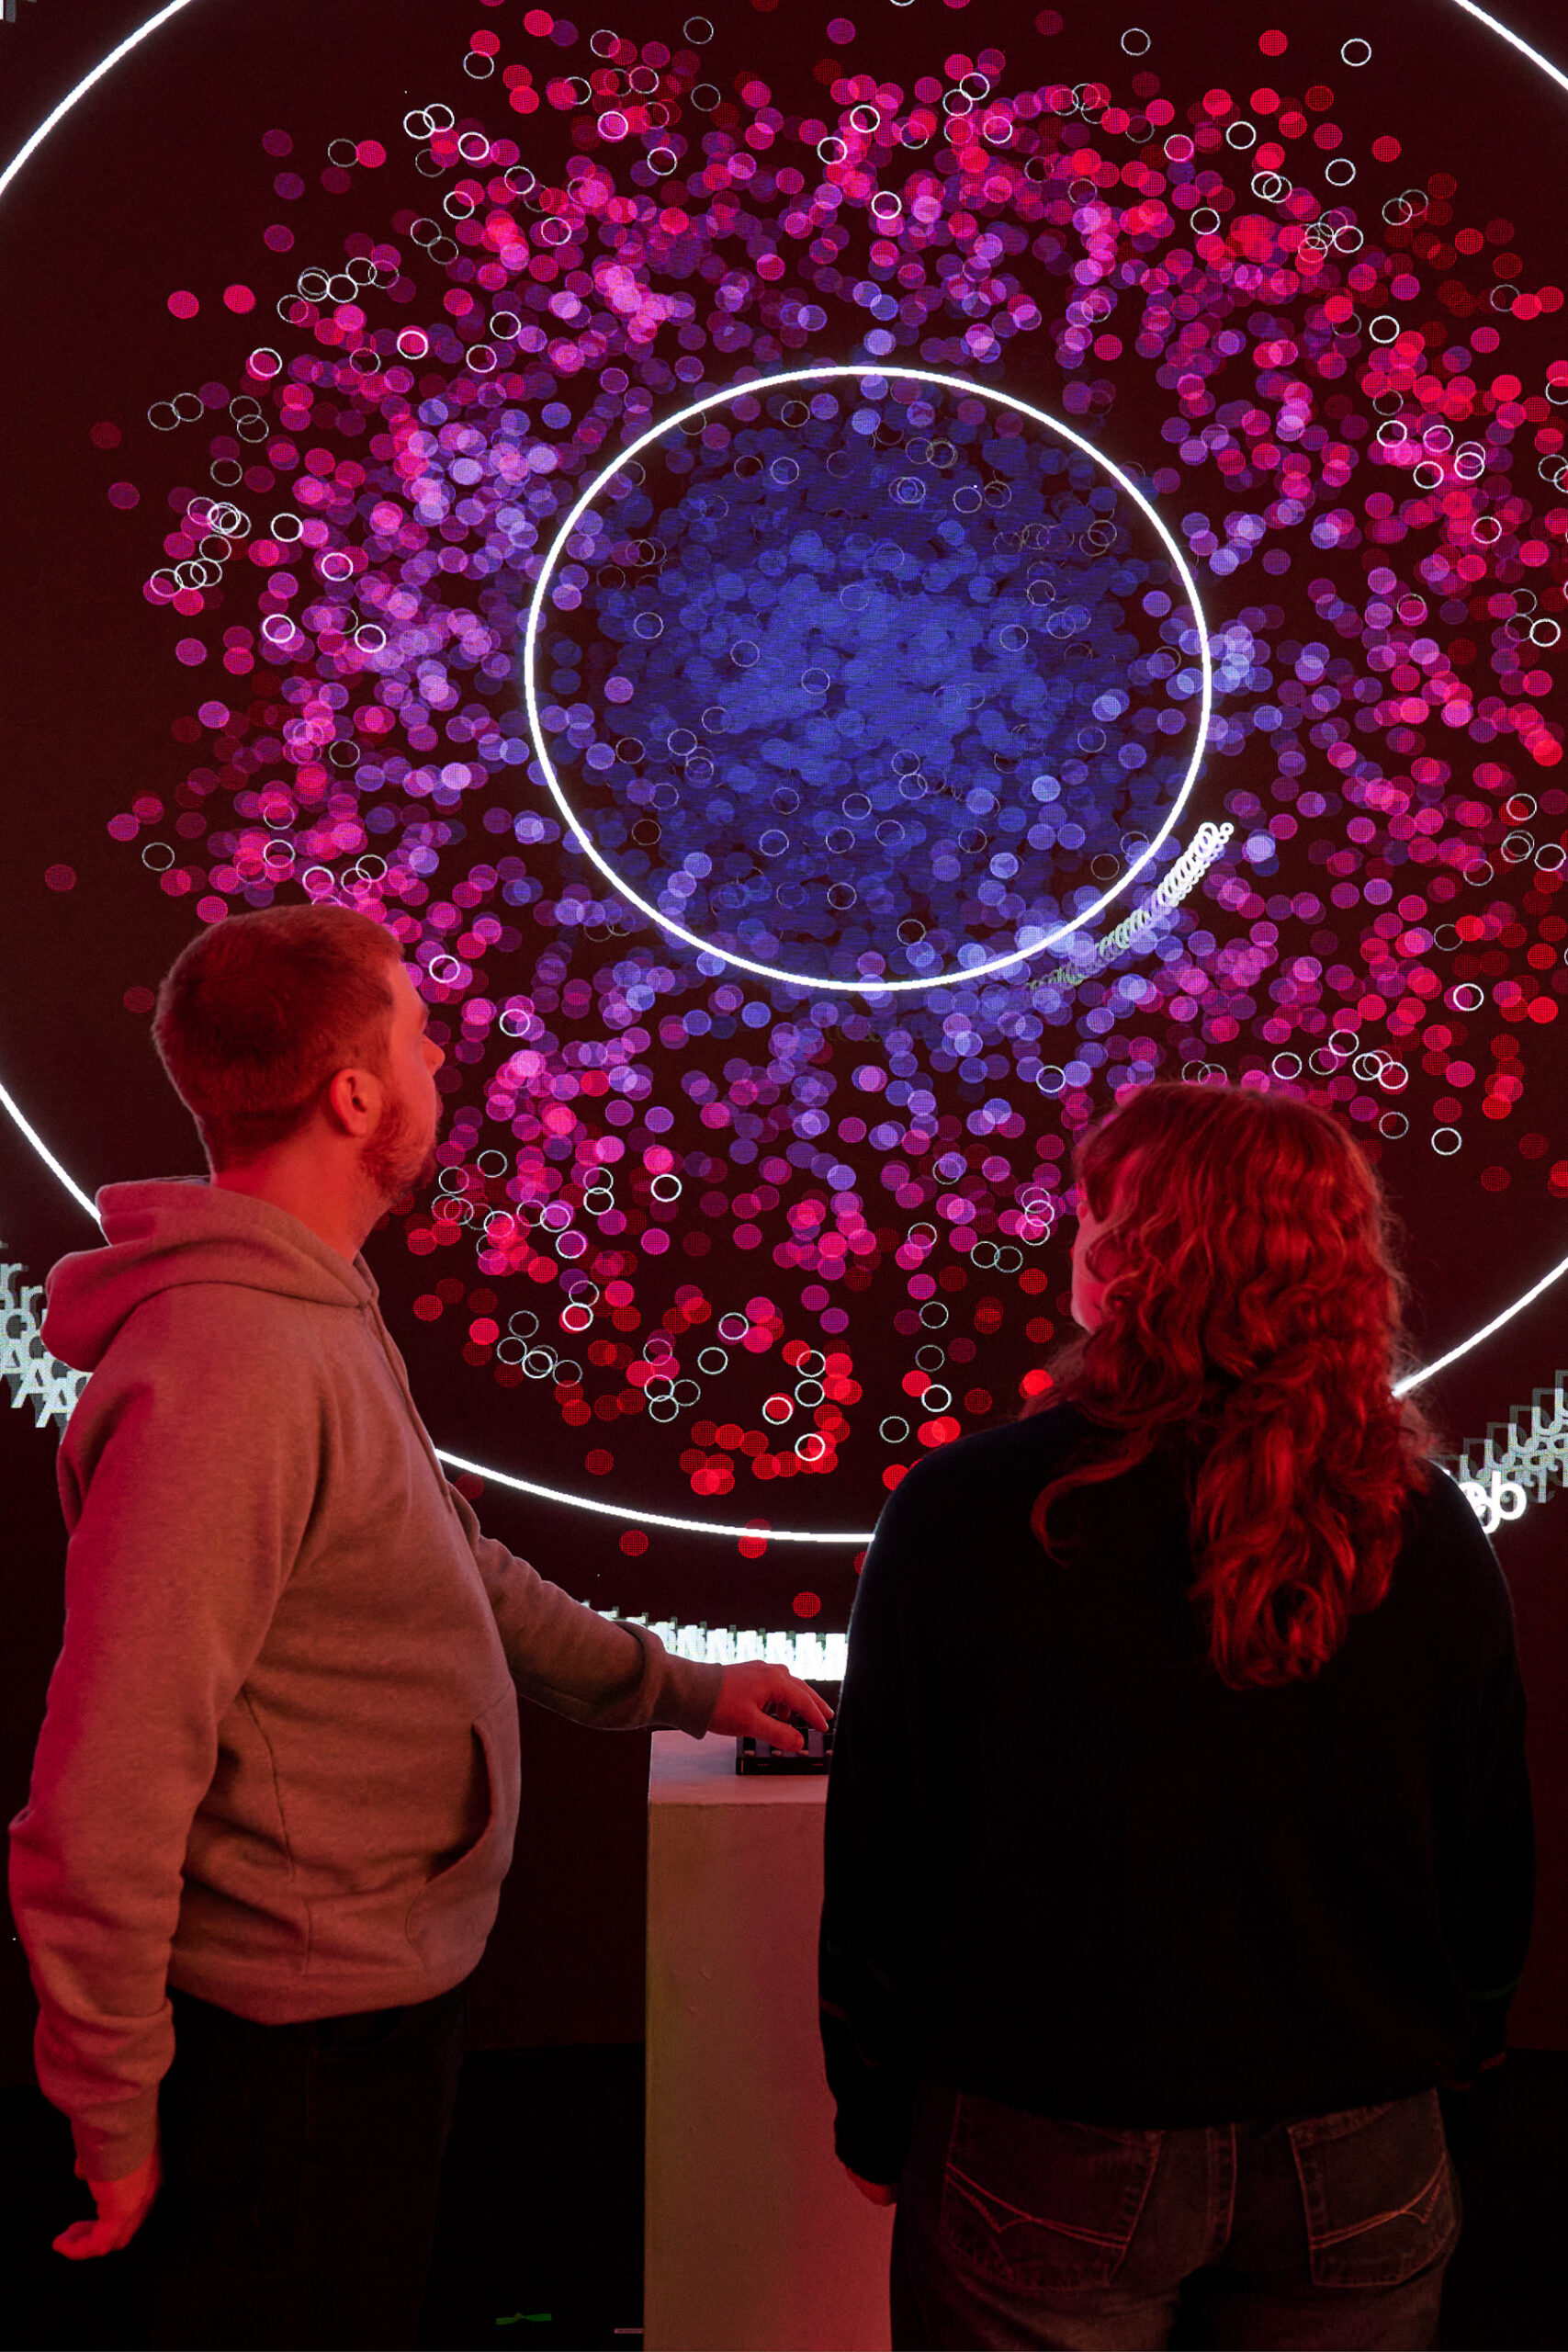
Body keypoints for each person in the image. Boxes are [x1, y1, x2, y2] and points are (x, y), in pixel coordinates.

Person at [7, 901, 844, 2351]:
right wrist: (112, 2103)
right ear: (353, 1095)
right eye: (418, 1031)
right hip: (288, 2060)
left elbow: (455, 1572)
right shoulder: (234, 1366)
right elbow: (106, 1784)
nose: (442, 1059)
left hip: (359, 2015)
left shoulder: (309, 1316)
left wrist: (690, 1690)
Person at [818, 1077, 1533, 2351]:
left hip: (1046, 2138)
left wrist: (872, 2104)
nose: (1069, 1243)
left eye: (1093, 1216)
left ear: (1131, 1260)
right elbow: (1485, 1864)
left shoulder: (964, 1515)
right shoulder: (1426, 1530)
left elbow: (889, 1860)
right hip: (1365, 2137)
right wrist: (1458, 2080)